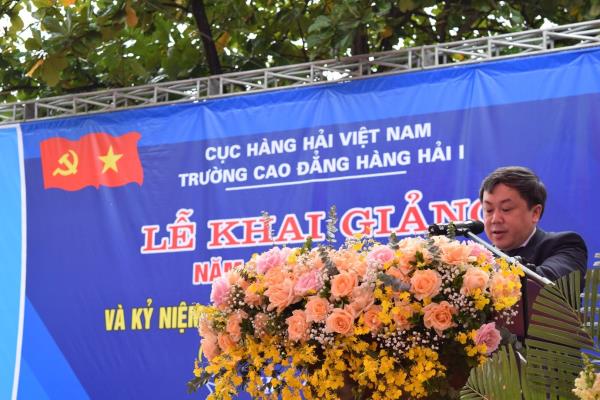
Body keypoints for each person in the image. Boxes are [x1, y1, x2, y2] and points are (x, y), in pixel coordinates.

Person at [479, 166, 587, 337]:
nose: (495, 219)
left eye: (506, 209)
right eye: (489, 210)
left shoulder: (565, 245)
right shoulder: (477, 259)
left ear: (535, 213)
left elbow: (543, 285)